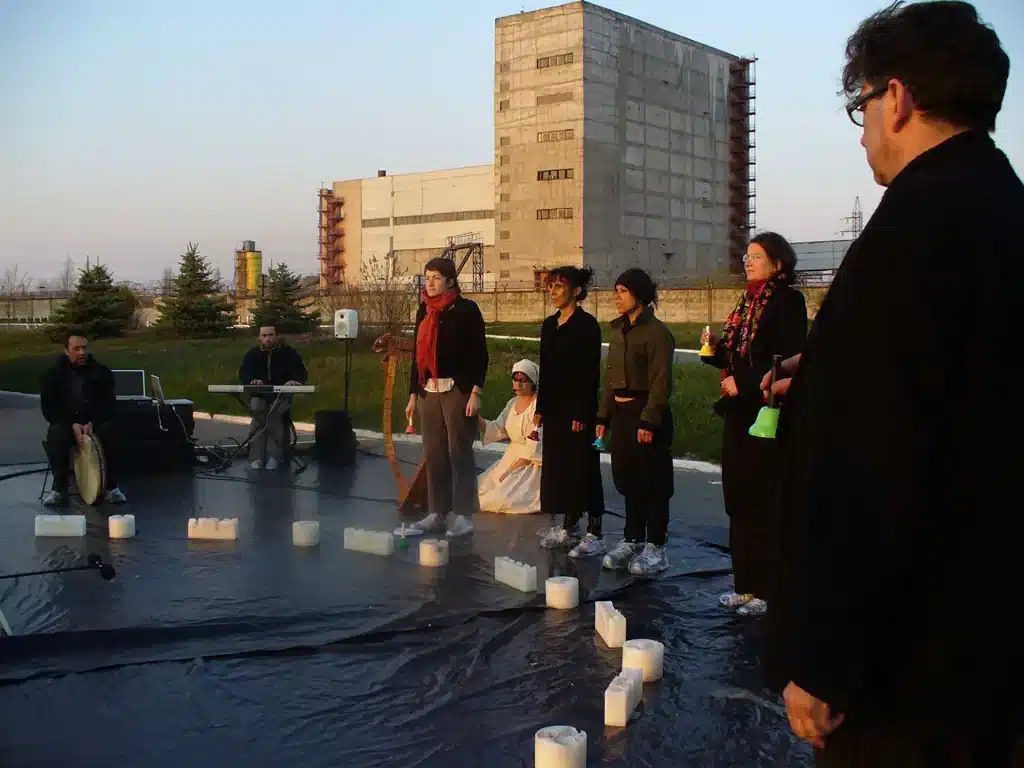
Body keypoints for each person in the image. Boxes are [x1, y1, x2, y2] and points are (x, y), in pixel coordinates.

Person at [762, 3, 1023, 764]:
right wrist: (832, 368)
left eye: (862, 107)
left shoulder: (911, 230)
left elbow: (873, 463)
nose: (867, 130)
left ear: (897, 98)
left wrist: (824, 661)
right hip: (995, 649)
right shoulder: (1004, 211)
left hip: (907, 672)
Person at [700, 233, 807, 617]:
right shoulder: (748, 302)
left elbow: (788, 360)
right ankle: (744, 584)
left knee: (764, 500)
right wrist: (714, 350)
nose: (748, 261)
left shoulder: (787, 301)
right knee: (739, 498)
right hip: (738, 410)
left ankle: (768, 588)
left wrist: (743, 384)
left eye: (757, 256)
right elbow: (737, 355)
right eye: (747, 256)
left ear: (778, 263)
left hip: (765, 413)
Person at [596, 268, 676, 575]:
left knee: (653, 481)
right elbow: (610, 378)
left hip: (646, 414)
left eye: (623, 292)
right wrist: (603, 416)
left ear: (639, 296)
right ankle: (632, 539)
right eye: (616, 291)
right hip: (622, 414)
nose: (617, 297)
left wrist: (649, 420)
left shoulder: (657, 334)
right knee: (628, 479)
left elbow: (661, 381)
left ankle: (655, 546)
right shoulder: (618, 331)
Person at [400, 257, 488, 538]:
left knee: (458, 453)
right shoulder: (423, 311)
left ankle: (463, 514)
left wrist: (475, 392)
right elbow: (417, 355)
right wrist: (413, 394)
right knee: (434, 453)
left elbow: (479, 354)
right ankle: (437, 512)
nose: (430, 283)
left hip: (457, 390)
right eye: (427, 278)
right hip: (429, 390)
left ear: (450, 280)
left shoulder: (466, 310)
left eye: (436, 277)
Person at [534, 266, 607, 557]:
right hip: (554, 409)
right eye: (550, 286)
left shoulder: (587, 326)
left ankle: (595, 530)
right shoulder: (550, 325)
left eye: (559, 286)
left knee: (582, 468)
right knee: (559, 468)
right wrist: (541, 409)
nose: (552, 291)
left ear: (576, 291)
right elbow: (546, 368)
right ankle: (568, 525)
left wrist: (581, 412)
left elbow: (589, 373)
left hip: (578, 409)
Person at [39, 332, 127, 506]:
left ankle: (112, 488)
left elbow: (108, 404)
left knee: (110, 432)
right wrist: (71, 424)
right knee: (56, 435)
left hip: (94, 423)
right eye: (76, 348)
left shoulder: (102, 373)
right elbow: (49, 409)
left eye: (84, 348)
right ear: (66, 351)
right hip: (68, 424)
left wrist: (92, 422)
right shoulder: (53, 375)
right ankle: (59, 490)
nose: (82, 353)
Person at [238, 323, 308, 470]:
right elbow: (244, 373)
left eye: (270, 335)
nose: (268, 338)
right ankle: (256, 458)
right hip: (259, 395)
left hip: (280, 396)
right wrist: (252, 380)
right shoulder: (252, 355)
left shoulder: (289, 353)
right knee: (258, 412)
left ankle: (273, 456)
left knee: (274, 414)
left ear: (277, 336)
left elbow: (301, 372)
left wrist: (294, 380)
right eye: (264, 336)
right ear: (259, 337)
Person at [477, 359, 542, 515]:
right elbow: (499, 428)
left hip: (530, 463)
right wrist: (476, 419)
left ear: (532, 382)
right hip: (510, 458)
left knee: (498, 499)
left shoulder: (538, 406)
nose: (518, 385)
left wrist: (509, 472)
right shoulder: (512, 403)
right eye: (515, 379)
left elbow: (534, 448)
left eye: (523, 380)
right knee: (478, 490)